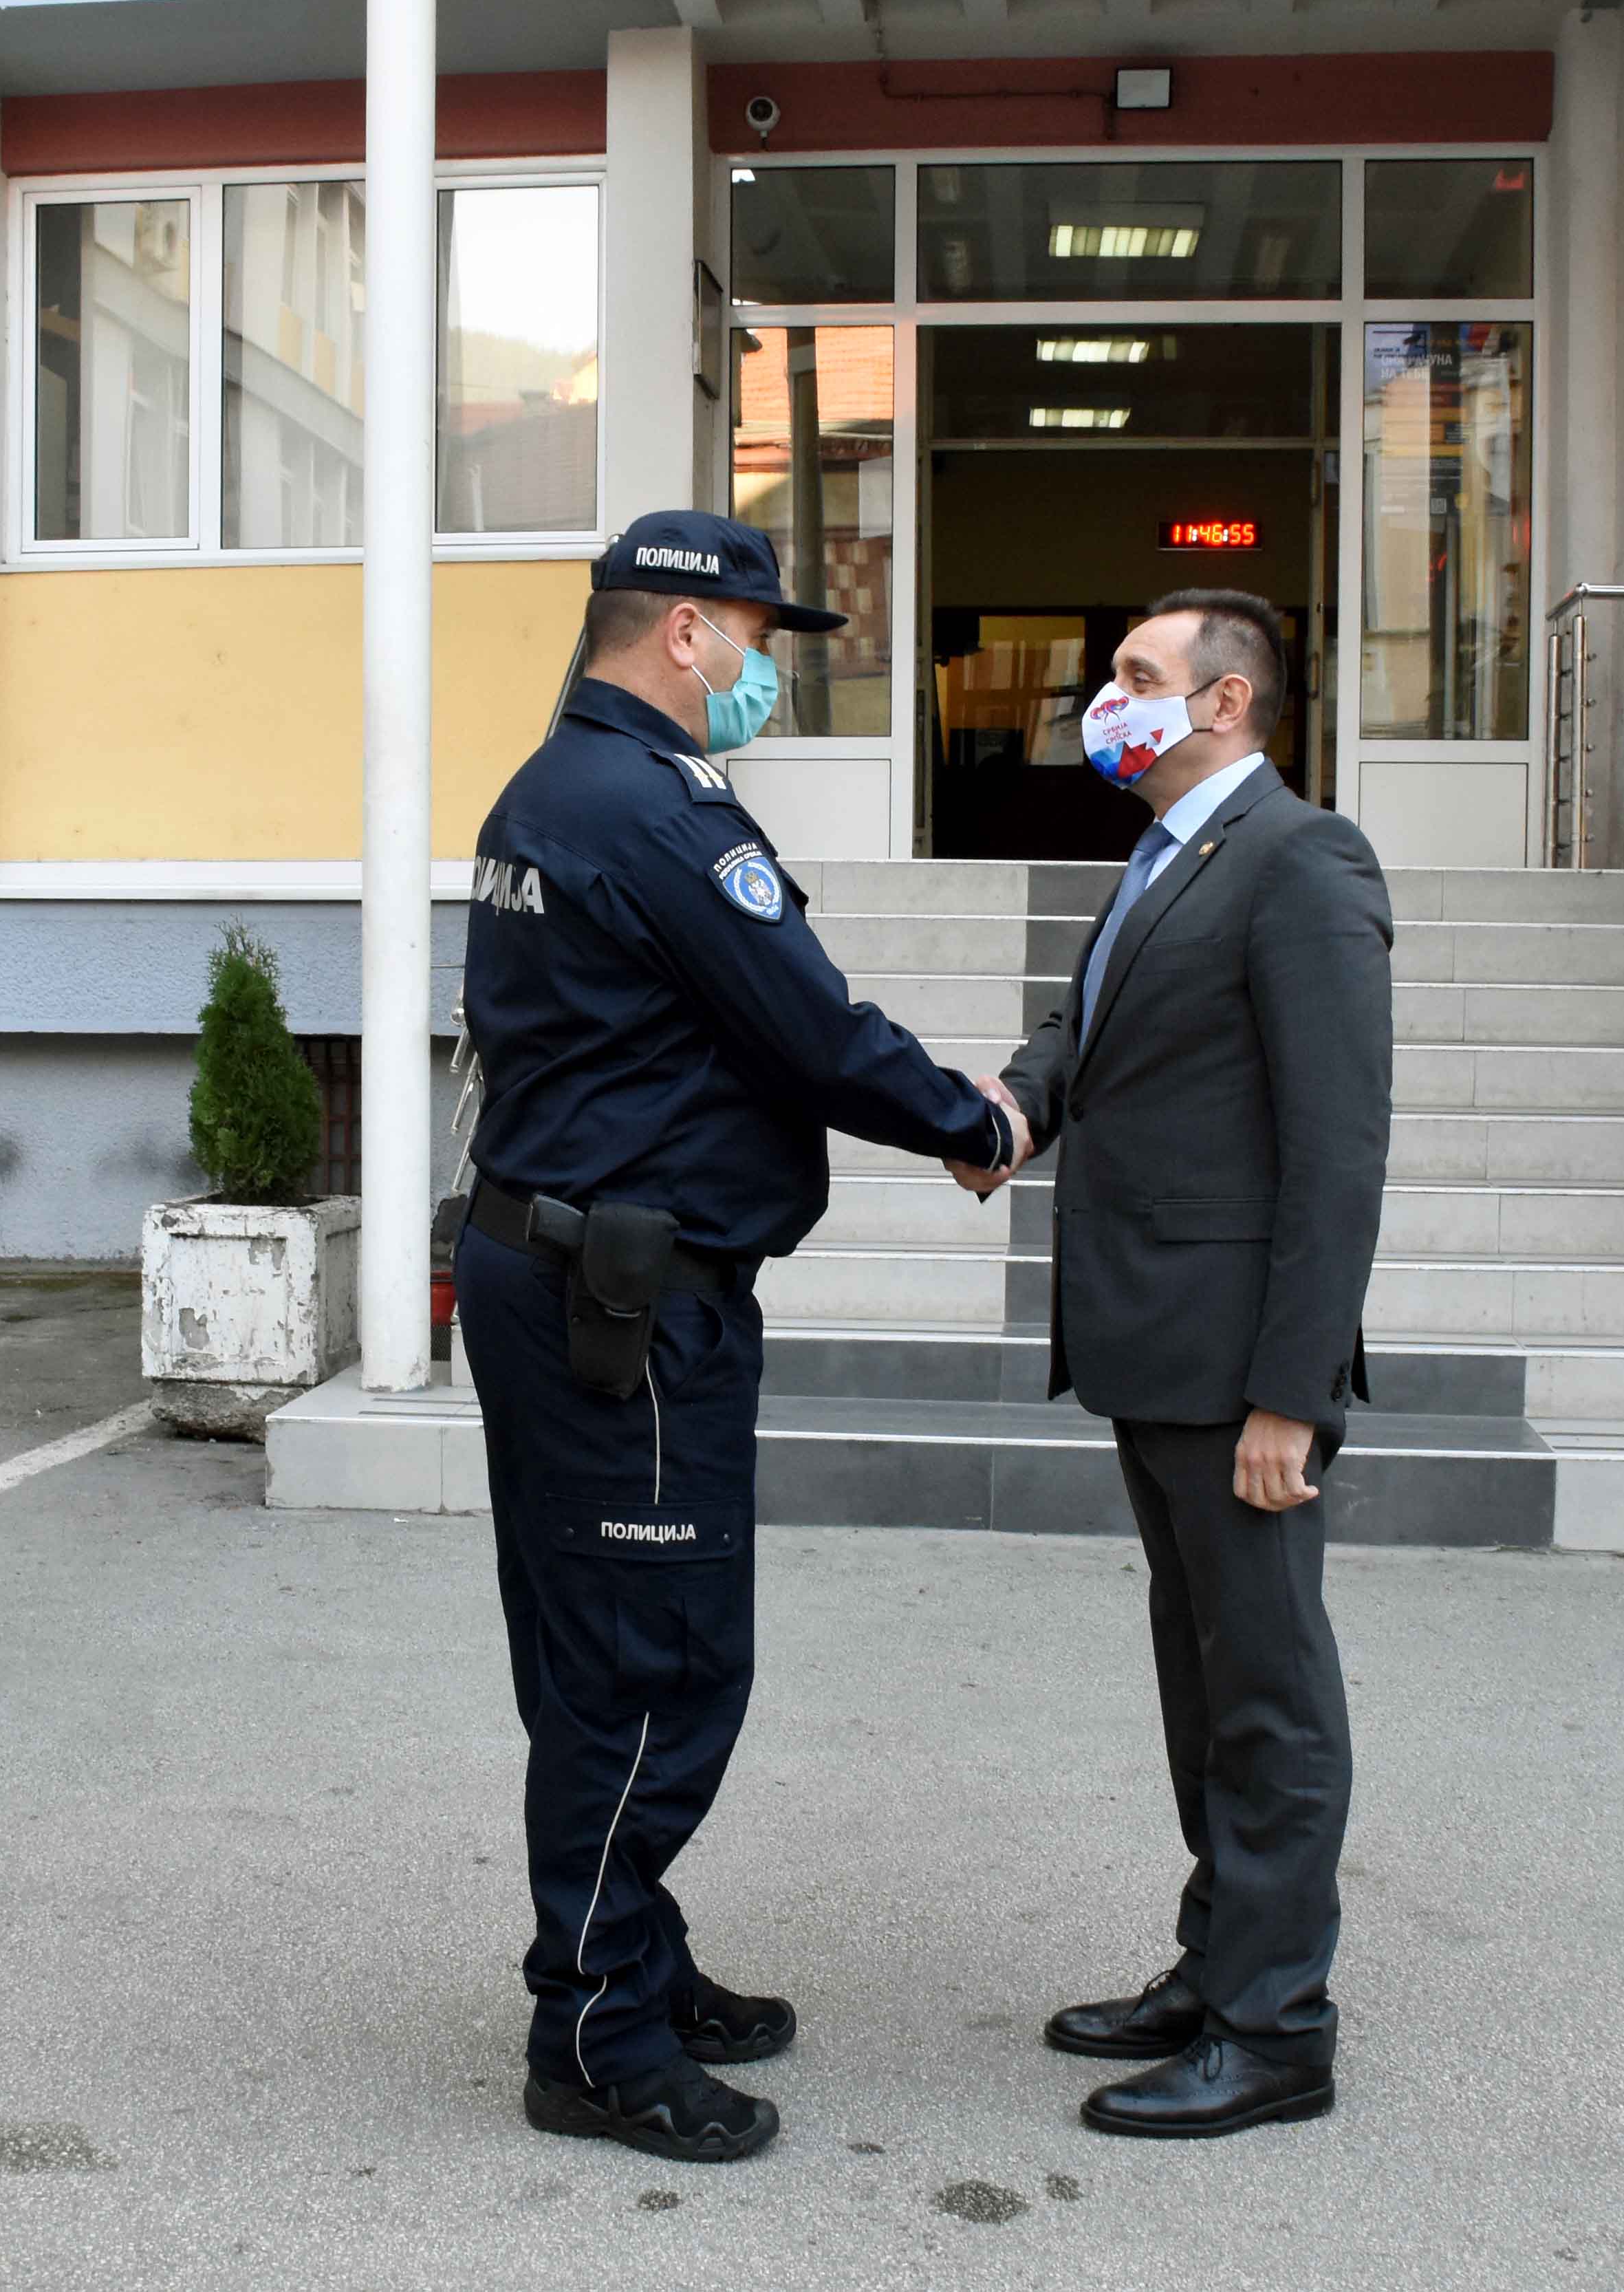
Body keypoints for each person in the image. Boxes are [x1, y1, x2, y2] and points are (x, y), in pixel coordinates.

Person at [457, 510, 1028, 2165]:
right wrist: (970, 1121)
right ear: (683, 633)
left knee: (592, 1651)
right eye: (757, 638)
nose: (766, 669)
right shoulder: (650, 808)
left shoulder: (550, 787)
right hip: (623, 1307)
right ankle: (592, 2029)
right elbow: (808, 1024)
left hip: (566, 1271)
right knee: (654, 1665)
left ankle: (631, 1952)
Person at [961, 590, 1392, 2139]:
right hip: (1153, 1345)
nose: (1106, 696)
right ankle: (1217, 1964)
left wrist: (1292, 1392)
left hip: (1234, 1370)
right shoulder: (1164, 852)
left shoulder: (1300, 859)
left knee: (1265, 1692)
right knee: (1200, 1676)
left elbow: (1337, 1149)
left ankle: (1275, 2029)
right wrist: (1013, 1108)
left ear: (1222, 702)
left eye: (1136, 674)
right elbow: (1083, 1029)